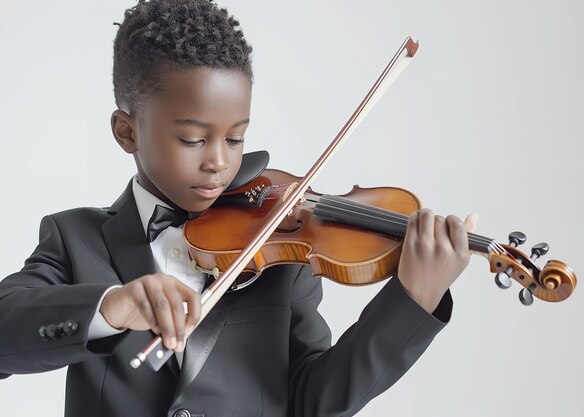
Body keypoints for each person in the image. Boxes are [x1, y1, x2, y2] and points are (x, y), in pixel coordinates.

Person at [0, 1, 478, 416]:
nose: (219, 162)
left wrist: (413, 299)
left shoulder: (276, 243)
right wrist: (113, 306)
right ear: (127, 132)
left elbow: (315, 400)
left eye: (236, 137)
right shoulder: (75, 239)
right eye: (192, 139)